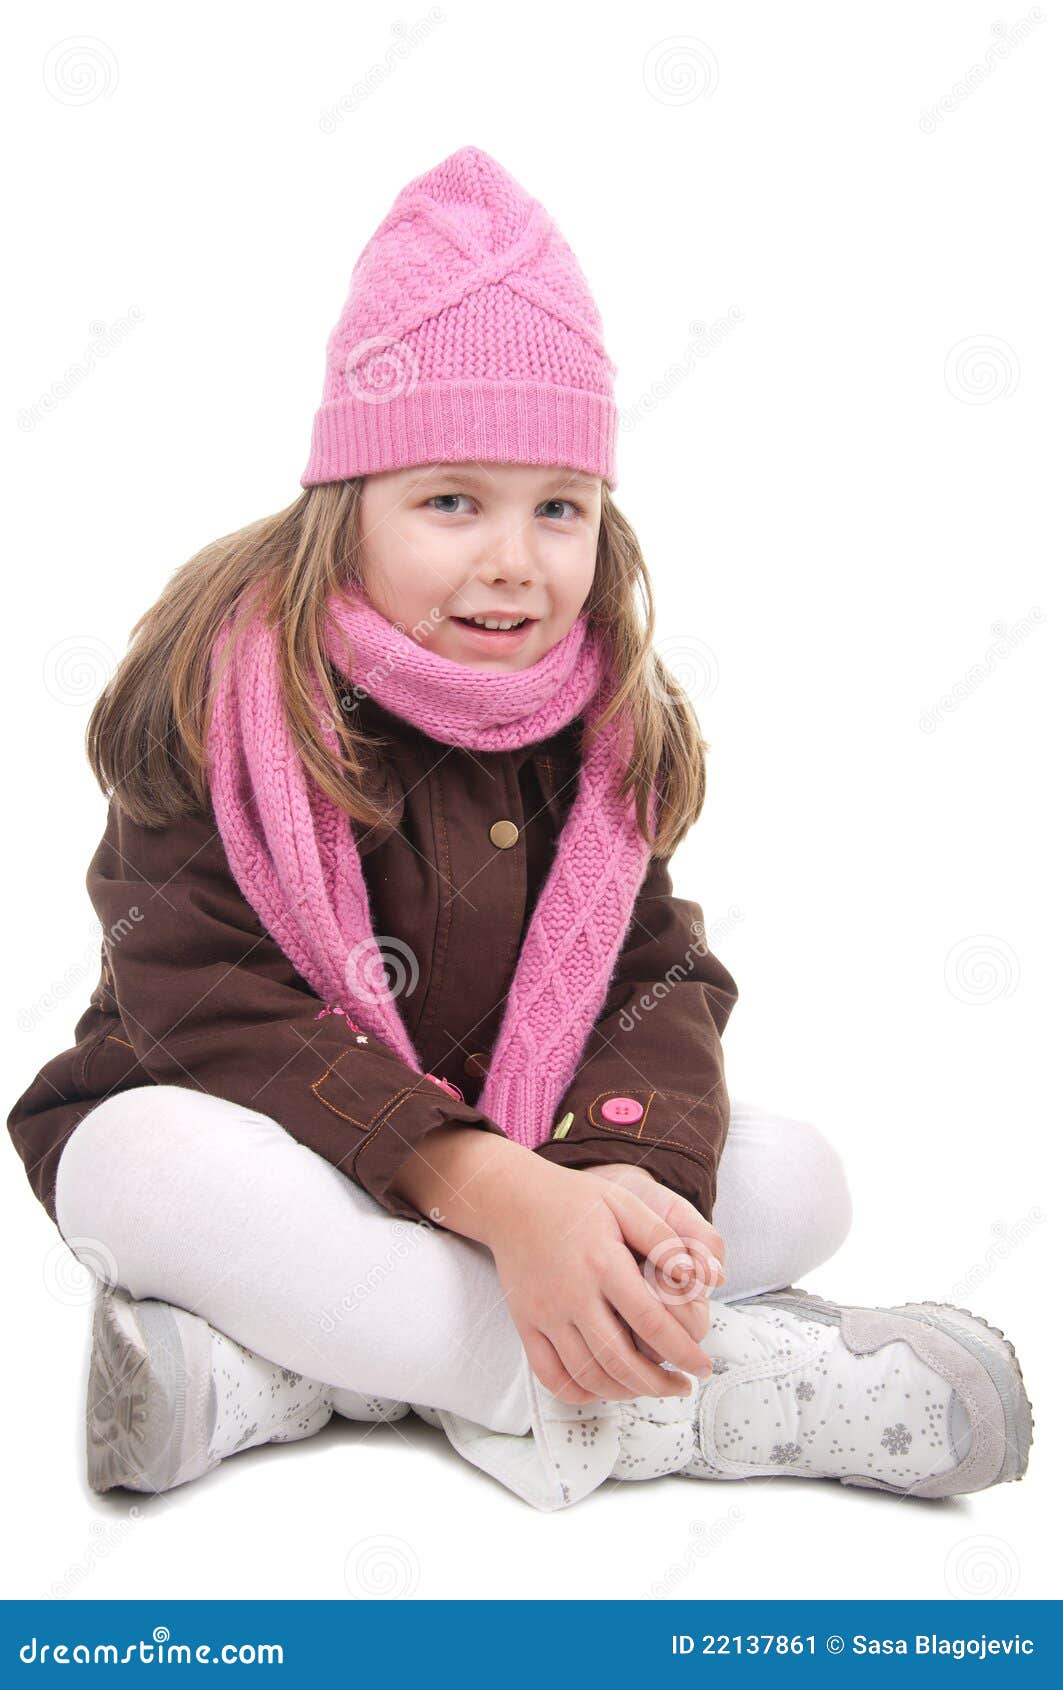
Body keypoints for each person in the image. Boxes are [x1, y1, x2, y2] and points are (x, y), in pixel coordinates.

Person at [7, 146, 1031, 1512]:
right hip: (265, 1132)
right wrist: (490, 1190)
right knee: (153, 1167)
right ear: (345, 505)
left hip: (520, 1146)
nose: (514, 557)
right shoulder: (232, 691)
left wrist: (614, 1180)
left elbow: (653, 978)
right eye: (451, 500)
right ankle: (679, 1395)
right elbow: (201, 998)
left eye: (561, 507)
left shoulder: (603, 726)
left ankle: (274, 1373)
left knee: (798, 1177)